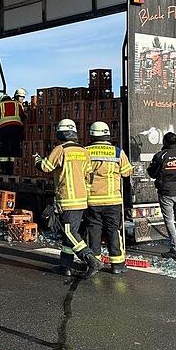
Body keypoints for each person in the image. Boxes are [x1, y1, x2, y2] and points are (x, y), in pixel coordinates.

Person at [36, 119, 102, 278]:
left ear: (61, 133)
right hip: (81, 199)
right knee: (69, 234)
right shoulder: (84, 151)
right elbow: (88, 175)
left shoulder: (61, 150)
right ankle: (65, 265)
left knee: (69, 232)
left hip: (67, 198)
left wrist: (37, 159)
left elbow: (46, 167)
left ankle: (91, 260)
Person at [85, 122, 133, 274]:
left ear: (92, 135)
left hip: (92, 199)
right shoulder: (117, 153)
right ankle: (117, 265)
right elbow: (126, 172)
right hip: (113, 200)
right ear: (107, 135)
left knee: (94, 231)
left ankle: (95, 262)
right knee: (113, 231)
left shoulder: (85, 152)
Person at [147, 131, 176, 260]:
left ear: (164, 142)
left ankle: (175, 249)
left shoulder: (161, 156)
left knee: (169, 220)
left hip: (166, 192)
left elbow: (152, 173)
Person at [0, 89, 26, 175]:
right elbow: (23, 116)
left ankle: (5, 169)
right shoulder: (17, 105)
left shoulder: (0, 105)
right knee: (15, 147)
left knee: (4, 148)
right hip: (17, 129)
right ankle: (14, 169)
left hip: (4, 129)